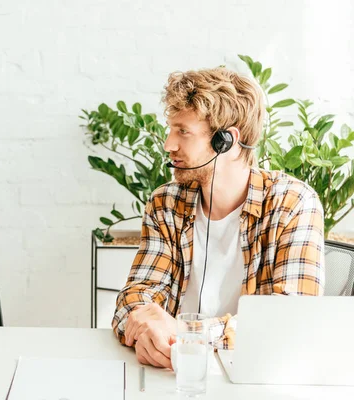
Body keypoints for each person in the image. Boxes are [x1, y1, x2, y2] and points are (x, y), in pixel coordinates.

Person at [112, 68, 325, 368]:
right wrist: (145, 328)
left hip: (254, 375)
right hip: (173, 372)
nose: (168, 144)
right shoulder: (166, 203)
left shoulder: (293, 204)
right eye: (171, 129)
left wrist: (190, 335)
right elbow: (135, 298)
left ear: (226, 140)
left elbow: (290, 320)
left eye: (183, 131)